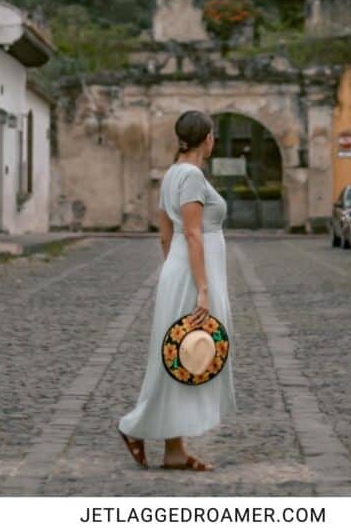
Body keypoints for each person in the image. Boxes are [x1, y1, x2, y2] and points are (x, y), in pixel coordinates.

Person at [117, 110, 237, 471]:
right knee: (188, 355)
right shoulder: (191, 175)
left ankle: (174, 450)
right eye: (213, 135)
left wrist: (176, 268)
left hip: (181, 270)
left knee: (179, 359)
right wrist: (201, 287)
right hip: (192, 276)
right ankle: (134, 426)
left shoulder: (172, 174)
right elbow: (193, 232)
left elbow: (165, 234)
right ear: (208, 139)